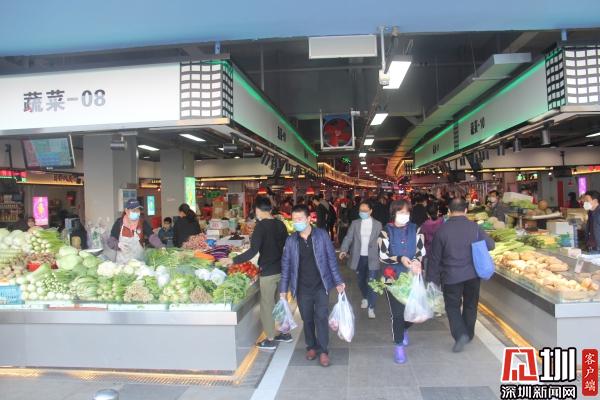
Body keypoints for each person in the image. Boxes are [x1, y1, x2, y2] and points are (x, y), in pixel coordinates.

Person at [280, 204, 345, 368]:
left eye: (300, 219)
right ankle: (311, 346)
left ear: (309, 219)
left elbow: (331, 259)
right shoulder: (291, 241)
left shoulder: (322, 236)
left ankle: (323, 350)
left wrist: (338, 281)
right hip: (302, 287)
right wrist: (283, 289)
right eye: (294, 219)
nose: (297, 222)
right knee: (307, 318)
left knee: (321, 317)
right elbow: (286, 266)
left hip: (321, 285)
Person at [427, 197, 495, 353]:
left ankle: (460, 335)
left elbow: (434, 258)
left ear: (449, 211)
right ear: (466, 210)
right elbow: (491, 245)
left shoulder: (442, 230)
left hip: (451, 276)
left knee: (452, 306)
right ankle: (468, 334)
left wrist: (431, 280)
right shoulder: (475, 227)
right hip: (473, 275)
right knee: (471, 304)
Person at [221, 196, 290, 349]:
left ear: (258, 210)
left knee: (267, 305)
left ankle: (270, 338)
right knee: (281, 302)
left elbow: (253, 251)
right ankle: (285, 333)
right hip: (282, 270)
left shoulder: (261, 227)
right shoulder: (280, 224)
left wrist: (233, 260)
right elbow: (287, 246)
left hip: (268, 272)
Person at [378, 199, 425, 364]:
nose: (404, 215)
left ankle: (404, 328)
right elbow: (383, 255)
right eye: (401, 212)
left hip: (411, 277)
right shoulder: (385, 231)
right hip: (390, 277)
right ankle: (398, 346)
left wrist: (417, 261)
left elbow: (420, 250)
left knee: (413, 313)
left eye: (407, 212)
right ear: (394, 213)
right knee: (397, 313)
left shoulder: (416, 229)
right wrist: (400, 258)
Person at [339, 200, 383, 318]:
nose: (362, 212)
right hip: (359, 257)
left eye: (365, 210)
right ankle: (365, 297)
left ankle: (371, 307)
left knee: (372, 282)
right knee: (360, 280)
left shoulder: (378, 224)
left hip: (373, 257)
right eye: (360, 210)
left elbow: (382, 241)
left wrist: (384, 254)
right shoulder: (355, 223)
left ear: (370, 211)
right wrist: (343, 250)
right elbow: (348, 238)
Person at [108, 199, 163, 263]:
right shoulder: (119, 223)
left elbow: (152, 237)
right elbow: (111, 241)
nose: (136, 212)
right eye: (134, 210)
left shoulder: (142, 222)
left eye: (138, 210)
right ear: (126, 211)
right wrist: (118, 245)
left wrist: (160, 246)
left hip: (139, 261)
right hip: (122, 262)